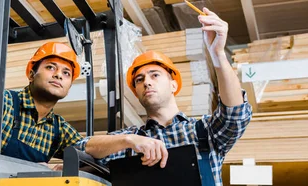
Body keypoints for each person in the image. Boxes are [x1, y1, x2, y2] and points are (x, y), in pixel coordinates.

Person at [75, 8, 252, 186]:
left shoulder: (204, 132)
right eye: (139, 79)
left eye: (155, 75)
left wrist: (217, 54)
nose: (147, 82)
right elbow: (80, 148)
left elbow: (234, 114)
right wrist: (128, 140)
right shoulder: (129, 140)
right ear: (136, 93)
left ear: (173, 85)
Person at [0, 42, 84, 165]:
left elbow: (88, 154)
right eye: (50, 67)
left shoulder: (58, 129)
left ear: (69, 87)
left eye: (66, 73)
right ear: (31, 75)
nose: (58, 75)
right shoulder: (5, 103)